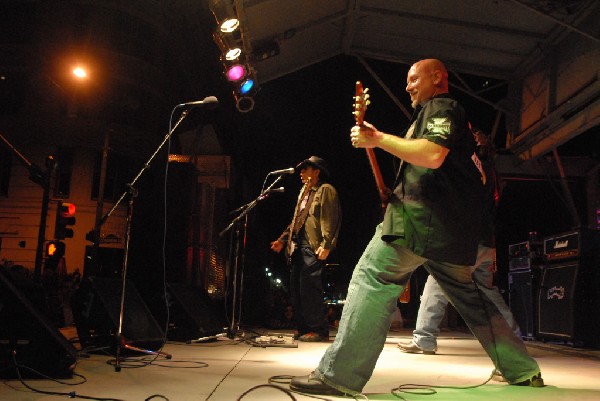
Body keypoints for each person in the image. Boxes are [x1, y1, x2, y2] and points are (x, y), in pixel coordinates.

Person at [289, 59, 543, 396]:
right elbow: (435, 168)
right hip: (451, 232)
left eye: (414, 79)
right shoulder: (446, 120)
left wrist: (377, 138)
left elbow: (433, 154)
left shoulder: (442, 106)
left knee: (372, 278)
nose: (408, 86)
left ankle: (339, 376)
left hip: (419, 222)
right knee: (474, 298)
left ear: (437, 77)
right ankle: (523, 370)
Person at [398, 127, 521, 357]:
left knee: (436, 281)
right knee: (487, 292)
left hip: (465, 241)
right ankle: (513, 335)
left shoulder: (469, 167)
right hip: (486, 240)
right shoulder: (492, 172)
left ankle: (424, 338)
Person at [270, 156, 342, 342]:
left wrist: (326, 244)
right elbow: (296, 221)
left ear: (316, 171)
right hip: (297, 247)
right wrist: (282, 240)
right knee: (296, 289)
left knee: (310, 289)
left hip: (312, 246)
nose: (301, 172)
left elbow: (330, 219)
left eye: (306, 169)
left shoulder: (325, 190)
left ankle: (318, 329)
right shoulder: (304, 192)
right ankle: (302, 327)